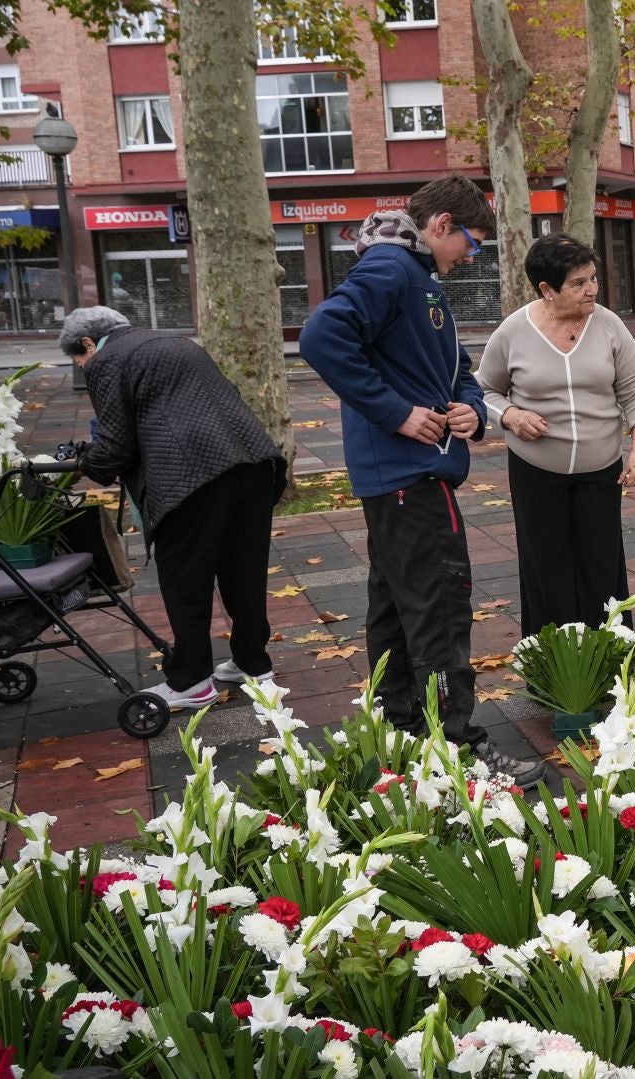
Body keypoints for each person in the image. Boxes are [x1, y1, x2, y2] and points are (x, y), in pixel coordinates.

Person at [299, 174, 548, 785]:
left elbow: (454, 369)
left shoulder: (416, 275)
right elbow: (320, 337)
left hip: (406, 474)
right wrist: (397, 413)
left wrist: (466, 407)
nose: (471, 255)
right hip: (410, 474)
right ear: (441, 225)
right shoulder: (391, 270)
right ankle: (457, 748)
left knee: (395, 608)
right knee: (438, 610)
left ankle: (406, 735)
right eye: (472, 242)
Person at [60, 305, 285, 709]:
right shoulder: (173, 342)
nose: (83, 366)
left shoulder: (106, 360)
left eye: (79, 359)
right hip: (253, 462)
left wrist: (82, 463)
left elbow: (114, 447)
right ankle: (254, 663)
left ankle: (192, 682)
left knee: (185, 580)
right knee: (244, 571)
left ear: (89, 343)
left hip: (190, 478)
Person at [477, 233, 635, 633]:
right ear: (547, 289)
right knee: (545, 563)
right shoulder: (513, 331)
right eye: (578, 282)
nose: (592, 289)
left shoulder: (609, 325)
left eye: (592, 279)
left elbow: (634, 390)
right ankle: (551, 662)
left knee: (602, 562)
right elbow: (483, 390)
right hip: (535, 469)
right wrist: (511, 416)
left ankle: (610, 654)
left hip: (601, 467)